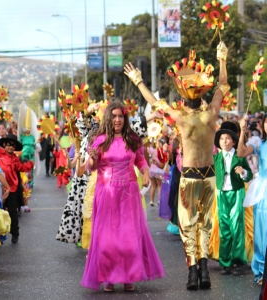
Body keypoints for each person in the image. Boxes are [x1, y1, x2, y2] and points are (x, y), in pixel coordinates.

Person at [125, 41, 229, 289]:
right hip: (209, 177)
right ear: (201, 96)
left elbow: (155, 103)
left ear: (184, 99)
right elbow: (223, 85)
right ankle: (203, 272)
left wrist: (138, 80)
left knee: (188, 225)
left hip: (190, 178)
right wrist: (221, 58)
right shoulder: (211, 113)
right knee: (205, 224)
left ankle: (194, 273)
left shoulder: (180, 118)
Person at [81, 102, 164, 292]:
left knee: (129, 236)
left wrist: (144, 172)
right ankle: (108, 277)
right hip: (106, 193)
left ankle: (129, 276)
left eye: (120, 116)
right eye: (114, 116)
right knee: (107, 238)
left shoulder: (133, 139)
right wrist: (92, 157)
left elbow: (141, 159)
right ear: (108, 118)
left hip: (129, 193)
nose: (117, 120)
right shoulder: (99, 140)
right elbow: (92, 167)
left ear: (125, 118)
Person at [213, 121, 252, 275]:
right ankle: (225, 262)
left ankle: (239, 262)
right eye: (222, 139)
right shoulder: (215, 158)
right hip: (221, 193)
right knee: (224, 228)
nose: (225, 142)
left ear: (234, 141)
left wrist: (242, 171)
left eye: (228, 139)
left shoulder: (239, 156)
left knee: (236, 227)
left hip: (236, 192)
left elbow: (248, 174)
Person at [238, 115, 267, 283]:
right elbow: (241, 152)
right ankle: (261, 271)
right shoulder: (258, 143)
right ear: (263, 125)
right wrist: (242, 131)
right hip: (264, 191)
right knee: (262, 232)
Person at [0, 134, 33, 243]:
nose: (10, 147)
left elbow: (21, 168)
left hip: (11, 188)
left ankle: (15, 233)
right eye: (8, 145)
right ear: (3, 144)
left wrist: (30, 164)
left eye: (13, 145)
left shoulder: (15, 158)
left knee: (12, 212)